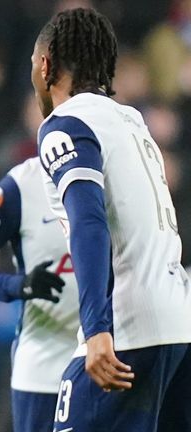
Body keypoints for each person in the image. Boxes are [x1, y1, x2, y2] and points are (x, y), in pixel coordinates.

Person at [31, 8, 191, 432]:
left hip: (128, 330)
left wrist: (97, 329)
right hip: (178, 327)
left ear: (45, 65)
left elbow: (89, 222)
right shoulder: (134, 123)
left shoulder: (66, 124)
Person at [0, 157, 79, 432]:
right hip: (46, 360)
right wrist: (18, 286)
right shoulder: (23, 182)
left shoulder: (123, 173)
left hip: (119, 355)